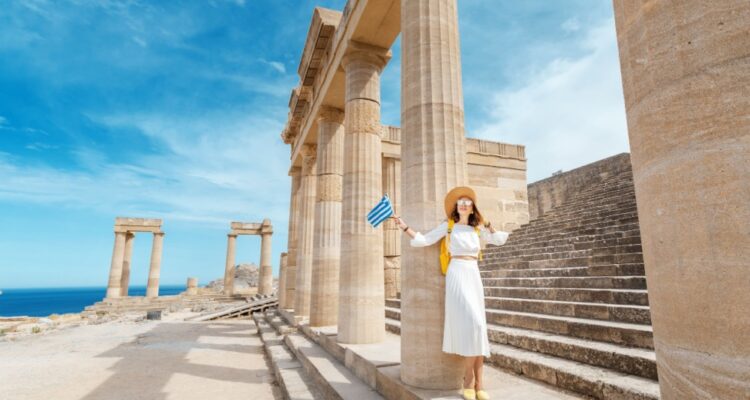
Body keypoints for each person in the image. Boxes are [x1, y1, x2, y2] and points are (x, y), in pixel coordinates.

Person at [392, 186, 509, 400]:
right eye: (460, 201)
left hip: (473, 273)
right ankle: (470, 380)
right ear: (456, 207)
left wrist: (489, 224)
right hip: (456, 274)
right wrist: (403, 226)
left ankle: (479, 381)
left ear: (473, 208)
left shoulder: (477, 228)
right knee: (471, 324)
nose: (464, 204)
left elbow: (500, 240)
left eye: (468, 201)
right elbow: (424, 240)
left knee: (478, 326)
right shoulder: (448, 227)